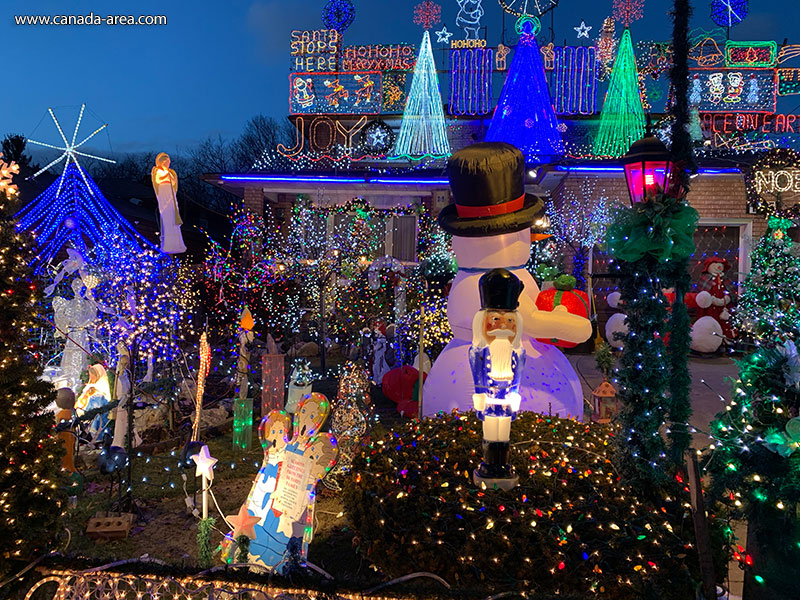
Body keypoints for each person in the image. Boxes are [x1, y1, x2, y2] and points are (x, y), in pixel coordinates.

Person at [469, 268, 526, 490]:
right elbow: (477, 373)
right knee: (491, 429)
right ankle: (490, 463)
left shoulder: (517, 353)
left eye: (510, 320)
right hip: (489, 395)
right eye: (495, 319)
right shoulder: (480, 352)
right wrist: (479, 395)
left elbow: (518, 375)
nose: (503, 326)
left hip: (507, 394)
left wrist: (515, 395)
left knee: (504, 431)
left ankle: (503, 463)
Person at [151, 152, 186, 254]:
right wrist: (166, 175)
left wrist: (170, 176)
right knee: (166, 217)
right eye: (166, 162)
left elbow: (174, 182)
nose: (167, 164)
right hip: (163, 191)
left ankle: (177, 243)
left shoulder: (171, 172)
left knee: (173, 217)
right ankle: (167, 243)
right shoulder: (157, 170)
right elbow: (158, 180)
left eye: (168, 162)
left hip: (170, 193)